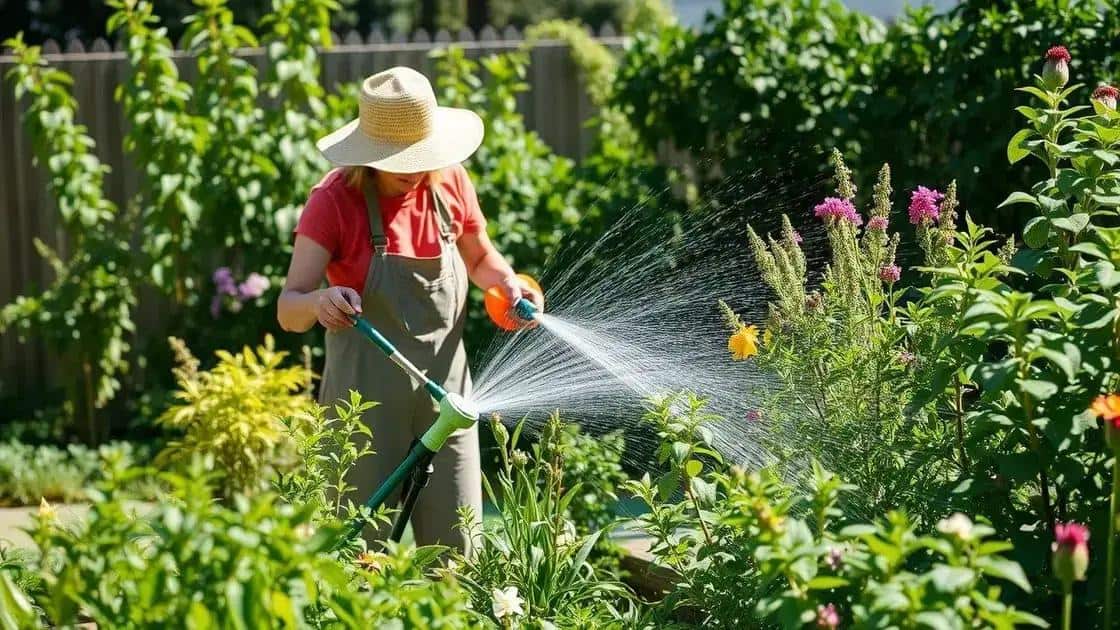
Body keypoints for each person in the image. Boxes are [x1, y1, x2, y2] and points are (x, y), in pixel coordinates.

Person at [277, 66, 543, 553]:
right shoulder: (333, 202)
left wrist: (508, 283)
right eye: (402, 162)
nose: (417, 170)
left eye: (422, 156)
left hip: (447, 404)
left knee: (459, 555)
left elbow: (481, 259)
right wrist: (320, 302)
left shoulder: (449, 183)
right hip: (363, 411)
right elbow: (289, 309)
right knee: (354, 557)